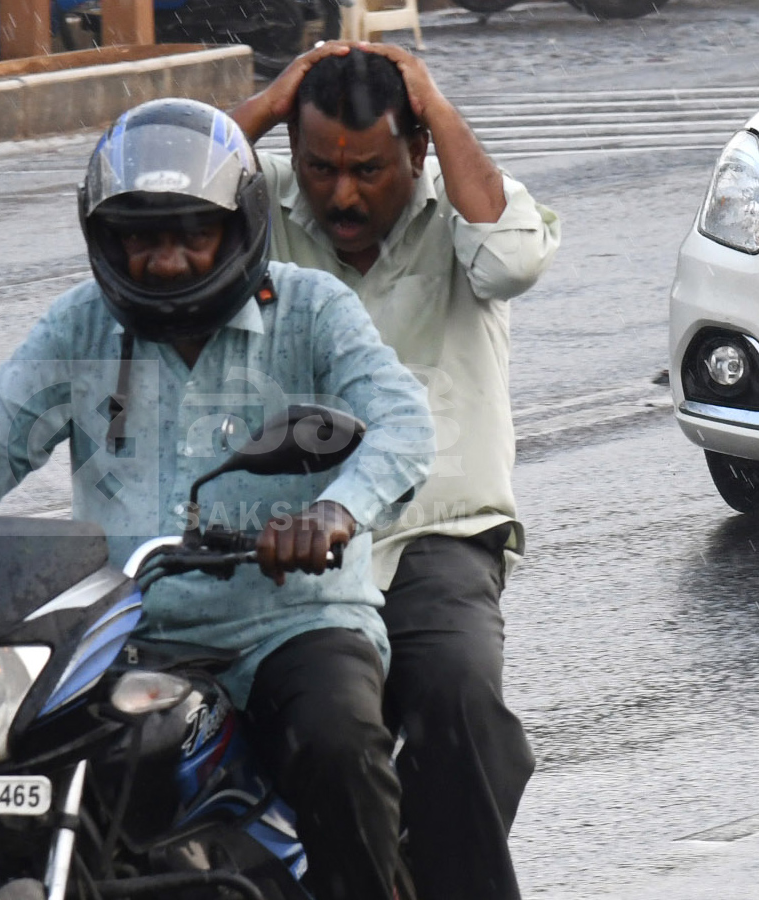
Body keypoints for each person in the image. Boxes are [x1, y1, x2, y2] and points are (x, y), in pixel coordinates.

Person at [0, 99, 435, 900]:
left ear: (238, 227)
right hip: (121, 634)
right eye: (141, 236)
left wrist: (334, 513)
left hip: (291, 625)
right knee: (13, 759)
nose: (165, 260)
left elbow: (403, 423)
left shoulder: (312, 310)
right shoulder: (80, 326)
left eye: (189, 233)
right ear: (106, 238)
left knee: (338, 742)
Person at [231, 43, 562, 900]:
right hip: (293, 542)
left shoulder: (460, 204)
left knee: (459, 703)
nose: (341, 194)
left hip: (437, 535)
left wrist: (435, 102)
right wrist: (270, 102)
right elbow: (150, 205)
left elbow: (513, 261)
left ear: (414, 151)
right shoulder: (261, 200)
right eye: (319, 169)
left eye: (369, 169)